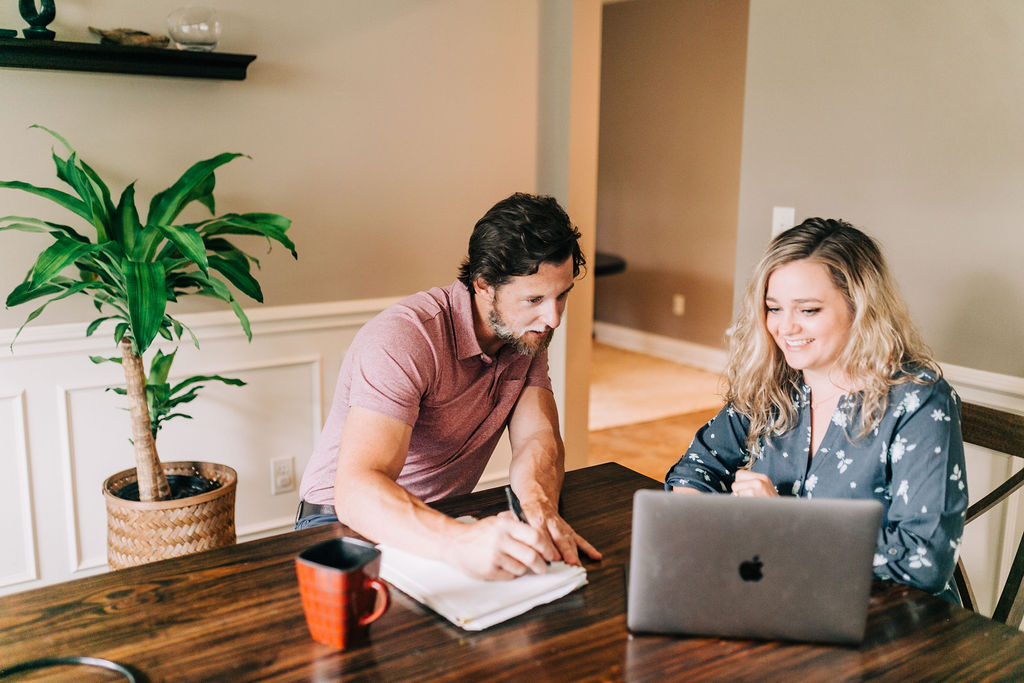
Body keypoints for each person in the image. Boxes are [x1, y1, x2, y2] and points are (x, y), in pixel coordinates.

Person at [297, 192, 602, 580]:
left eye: (562, 297)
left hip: (438, 519)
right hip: (339, 525)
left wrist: (540, 509)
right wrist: (459, 542)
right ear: (483, 286)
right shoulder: (406, 337)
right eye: (534, 299)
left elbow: (537, 440)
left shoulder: (524, 335)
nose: (553, 318)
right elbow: (357, 488)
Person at [664, 218, 967, 602]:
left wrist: (787, 524)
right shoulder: (773, 383)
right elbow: (696, 468)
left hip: (891, 623)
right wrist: (699, 518)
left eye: (808, 310)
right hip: (782, 596)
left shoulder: (917, 401)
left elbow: (925, 559)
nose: (785, 327)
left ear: (860, 309)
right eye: (773, 308)